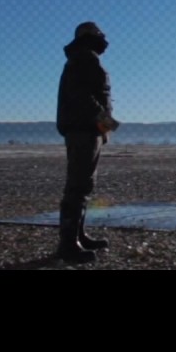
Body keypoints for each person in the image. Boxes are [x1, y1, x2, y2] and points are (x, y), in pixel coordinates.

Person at [55, 21, 120, 264]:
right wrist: (105, 121)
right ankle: (68, 244)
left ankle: (77, 236)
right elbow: (83, 96)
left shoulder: (83, 58)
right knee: (78, 186)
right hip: (83, 130)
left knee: (83, 185)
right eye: (99, 36)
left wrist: (103, 126)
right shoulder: (84, 59)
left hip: (86, 129)